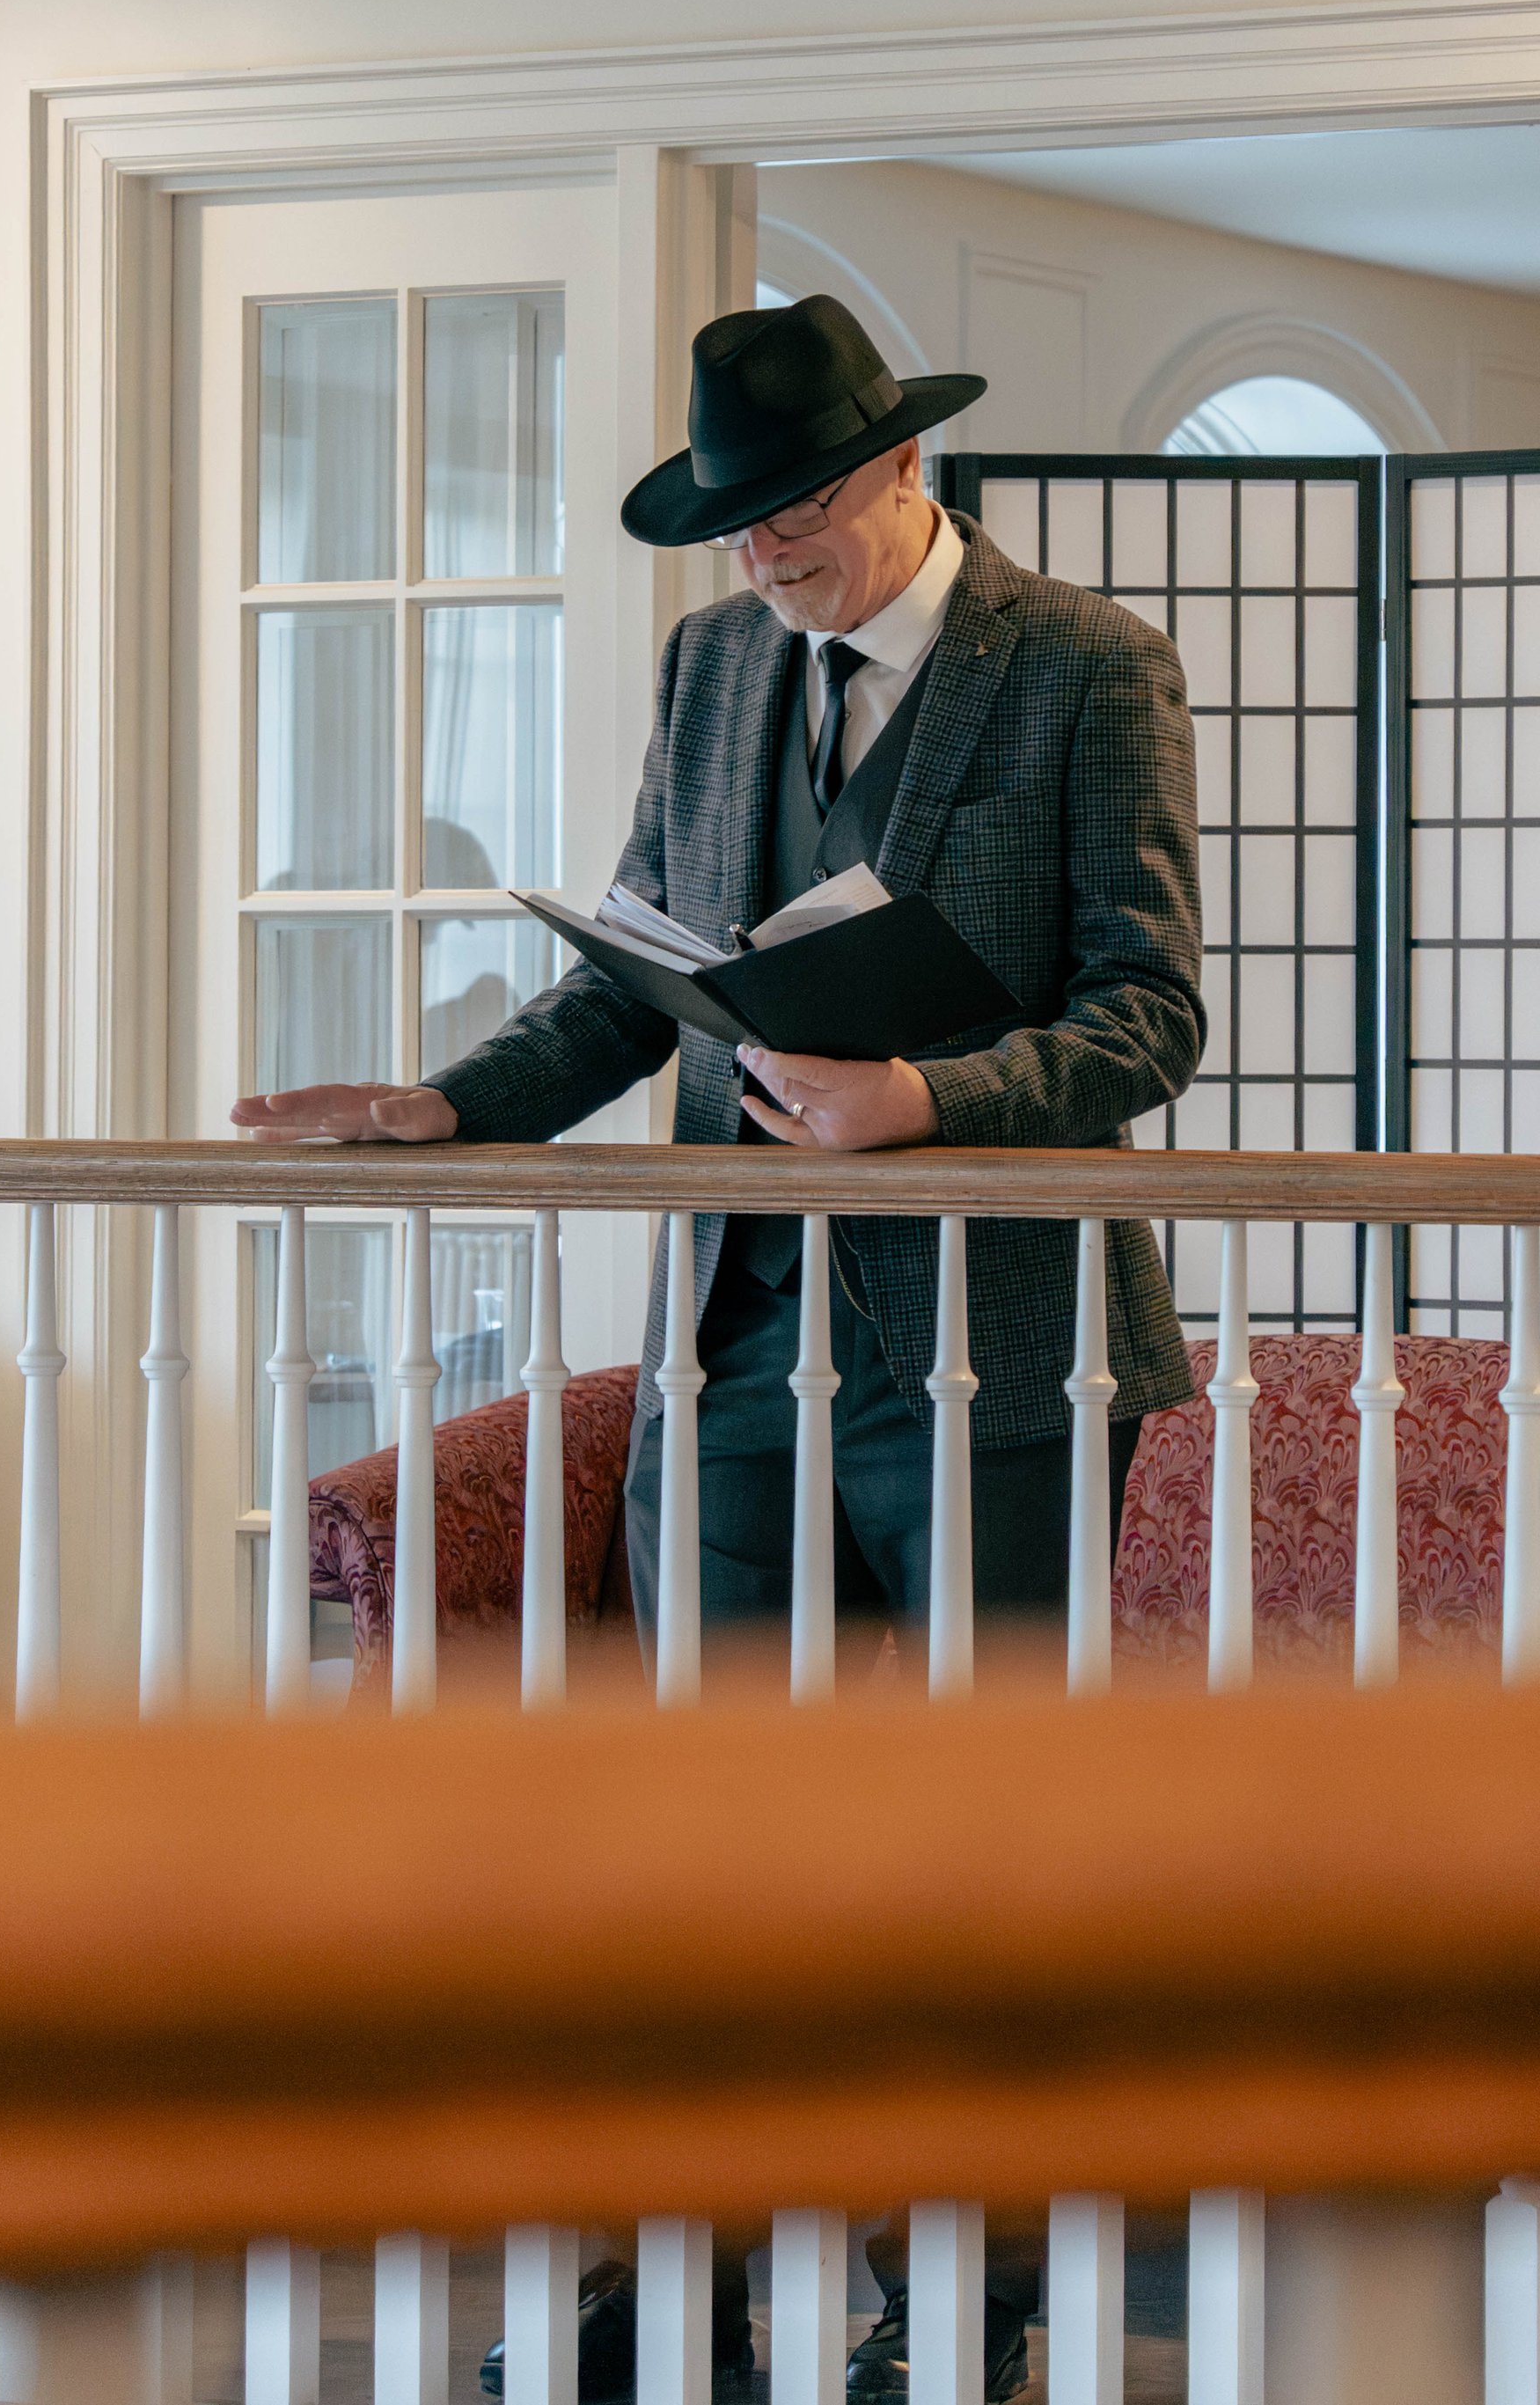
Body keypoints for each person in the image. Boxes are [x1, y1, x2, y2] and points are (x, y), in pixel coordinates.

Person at [233, 292, 1206, 2399]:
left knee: (998, 1861)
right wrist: (447, 1104)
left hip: (1015, 1368)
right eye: (731, 523)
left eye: (788, 514)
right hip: (737, 1354)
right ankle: (694, 2283)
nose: (759, 554)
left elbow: (1153, 1015)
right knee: (713, 1845)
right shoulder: (706, 669)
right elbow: (633, 986)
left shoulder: (1088, 671)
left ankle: (974, 2313)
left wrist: (920, 1101)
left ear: (892, 474)